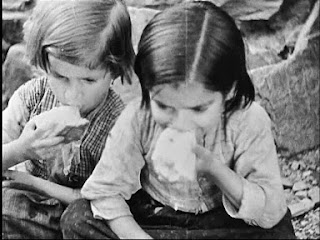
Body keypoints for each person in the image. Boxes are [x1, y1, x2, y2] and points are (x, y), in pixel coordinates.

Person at [60, 1, 296, 239]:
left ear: (230, 90)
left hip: (222, 221)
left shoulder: (248, 120)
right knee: (78, 217)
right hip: (158, 217)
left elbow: (270, 210)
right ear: (148, 89)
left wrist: (213, 168)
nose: (181, 123)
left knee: (279, 230)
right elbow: (105, 190)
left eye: (199, 109)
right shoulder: (138, 118)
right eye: (164, 106)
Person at [2, 0, 135, 239]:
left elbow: (101, 199)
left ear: (115, 71)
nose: (72, 94)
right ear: (43, 65)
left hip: (81, 214)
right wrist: (20, 150)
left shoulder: (119, 125)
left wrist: (29, 181)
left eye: (89, 80)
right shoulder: (31, 97)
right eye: (60, 77)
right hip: (27, 206)